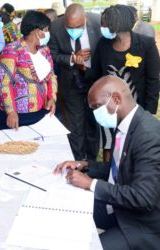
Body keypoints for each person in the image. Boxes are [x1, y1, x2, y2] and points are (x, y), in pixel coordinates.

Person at [54, 75, 160, 250]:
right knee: (67, 207)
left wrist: (91, 184)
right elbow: (119, 168)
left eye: (97, 107)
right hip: (121, 208)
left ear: (116, 98)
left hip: (141, 225)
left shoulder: (148, 136)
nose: (95, 113)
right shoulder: (125, 124)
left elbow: (143, 197)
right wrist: (85, 165)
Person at [87, 4, 160, 161]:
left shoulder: (146, 45)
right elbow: (96, 73)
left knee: (132, 145)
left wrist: (149, 112)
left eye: (104, 23)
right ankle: (108, 177)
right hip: (108, 107)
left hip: (135, 106)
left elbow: (153, 80)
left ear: (116, 24)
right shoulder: (103, 44)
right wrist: (80, 68)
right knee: (109, 144)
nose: (102, 26)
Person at [49, 3, 101, 161]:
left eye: (78, 27)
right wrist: (72, 58)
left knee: (93, 122)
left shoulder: (98, 23)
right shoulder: (56, 27)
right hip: (71, 83)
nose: (73, 31)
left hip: (94, 81)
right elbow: (53, 54)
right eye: (69, 27)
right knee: (75, 124)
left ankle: (91, 161)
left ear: (85, 18)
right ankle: (78, 159)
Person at [0, 10, 56, 130]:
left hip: (40, 110)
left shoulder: (44, 50)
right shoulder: (12, 50)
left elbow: (51, 76)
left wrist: (51, 98)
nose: (48, 33)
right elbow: (4, 83)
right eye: (46, 30)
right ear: (37, 31)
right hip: (15, 115)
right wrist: (11, 111)